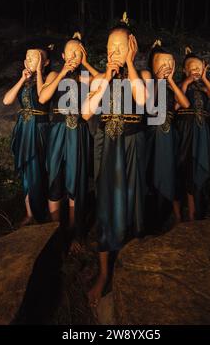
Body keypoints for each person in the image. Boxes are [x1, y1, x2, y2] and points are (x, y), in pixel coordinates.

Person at [82, 15, 149, 308]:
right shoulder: (100, 77)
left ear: (133, 48)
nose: (114, 52)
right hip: (107, 148)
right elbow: (86, 113)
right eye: (110, 46)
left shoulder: (142, 75)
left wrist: (130, 64)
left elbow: (144, 101)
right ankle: (104, 272)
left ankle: (130, 266)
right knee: (107, 204)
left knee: (132, 202)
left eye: (121, 46)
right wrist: (107, 77)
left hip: (131, 147)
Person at [39, 33, 98, 252]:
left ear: (83, 55)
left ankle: (75, 230)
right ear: (63, 55)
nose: (73, 56)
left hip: (79, 132)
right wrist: (64, 71)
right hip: (57, 130)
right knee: (55, 176)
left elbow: (102, 80)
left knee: (77, 178)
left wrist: (85, 64)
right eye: (70, 52)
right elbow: (44, 98)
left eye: (78, 52)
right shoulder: (55, 73)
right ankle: (52, 230)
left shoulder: (85, 77)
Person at [175, 47, 210, 222]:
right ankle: (186, 213)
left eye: (199, 67)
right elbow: (176, 104)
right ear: (184, 70)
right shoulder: (180, 86)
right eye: (192, 67)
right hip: (186, 130)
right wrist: (187, 82)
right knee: (186, 166)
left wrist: (204, 79)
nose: (195, 70)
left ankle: (196, 212)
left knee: (200, 166)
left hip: (201, 130)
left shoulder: (205, 89)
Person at [3, 47, 51, 225]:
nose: (30, 60)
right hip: (24, 127)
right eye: (27, 58)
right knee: (25, 169)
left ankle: (41, 213)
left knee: (38, 168)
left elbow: (42, 96)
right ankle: (30, 213)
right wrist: (22, 78)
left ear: (45, 62)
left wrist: (38, 72)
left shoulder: (47, 80)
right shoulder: (24, 81)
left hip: (39, 127)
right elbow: (6, 100)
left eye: (35, 58)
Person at [146, 39, 190, 227]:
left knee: (171, 172)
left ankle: (178, 216)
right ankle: (152, 216)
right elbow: (148, 105)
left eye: (170, 64)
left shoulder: (173, 86)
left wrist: (170, 80)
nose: (166, 67)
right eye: (162, 64)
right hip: (152, 135)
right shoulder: (149, 82)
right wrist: (157, 80)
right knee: (151, 171)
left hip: (170, 134)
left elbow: (185, 104)